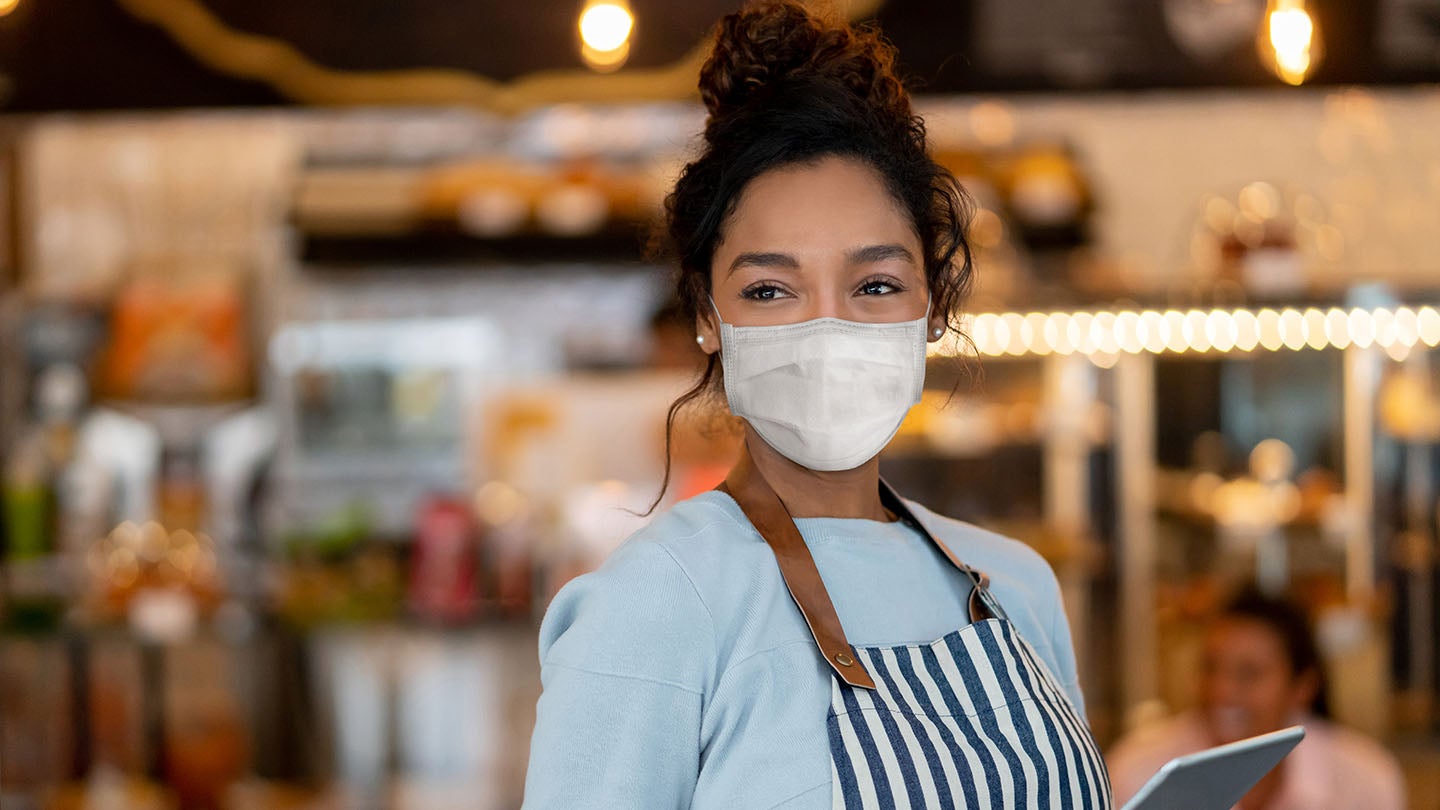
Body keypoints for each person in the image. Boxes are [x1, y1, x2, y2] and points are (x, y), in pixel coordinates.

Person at [523, 2, 1109, 807]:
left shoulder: (1017, 587)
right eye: (770, 289)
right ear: (707, 315)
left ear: (933, 304)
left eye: (874, 285)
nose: (827, 329)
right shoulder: (653, 607)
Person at [1106, 588, 1406, 810]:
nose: (1221, 691)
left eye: (1249, 673)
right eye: (1210, 668)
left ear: (1302, 687)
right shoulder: (1136, 773)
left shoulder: (1364, 780)